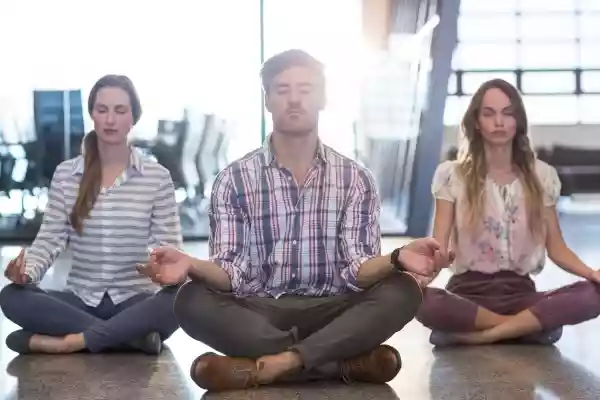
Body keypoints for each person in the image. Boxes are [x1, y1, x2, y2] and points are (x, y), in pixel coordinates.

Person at [138, 49, 452, 392]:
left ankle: (274, 364)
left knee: (403, 289)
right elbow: (232, 271)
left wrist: (396, 258)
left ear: (322, 97)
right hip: (259, 310)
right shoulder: (235, 179)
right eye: (282, 89)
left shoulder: (355, 178)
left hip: (333, 306)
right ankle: (337, 362)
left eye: (305, 88)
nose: (294, 99)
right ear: (268, 100)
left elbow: (356, 269)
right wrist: (191, 264)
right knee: (189, 299)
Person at [0, 74, 182, 355]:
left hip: (135, 300)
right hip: (81, 299)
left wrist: (165, 272)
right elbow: (49, 241)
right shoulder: (66, 174)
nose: (110, 120)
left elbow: (170, 247)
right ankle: (129, 339)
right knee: (11, 296)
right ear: (92, 115)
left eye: (120, 111)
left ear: (133, 117)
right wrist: (26, 273)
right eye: (102, 110)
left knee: (180, 299)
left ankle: (74, 341)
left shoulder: (156, 177)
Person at [416, 78, 600, 346]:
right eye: (489, 114)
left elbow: (557, 249)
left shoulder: (542, 176)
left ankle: (483, 335)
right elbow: (438, 248)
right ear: (476, 122)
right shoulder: (451, 175)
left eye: (508, 113)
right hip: (466, 293)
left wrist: (591, 273)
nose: (499, 122)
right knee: (421, 300)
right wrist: (417, 281)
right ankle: (527, 328)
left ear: (518, 121)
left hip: (521, 295)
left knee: (592, 294)